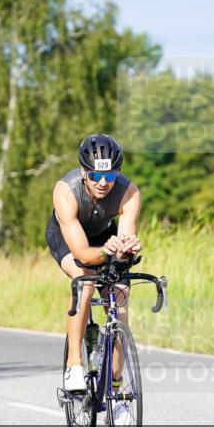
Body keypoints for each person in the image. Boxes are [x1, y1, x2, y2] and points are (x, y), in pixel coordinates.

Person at [46, 134, 142, 398]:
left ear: (117, 173)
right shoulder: (65, 191)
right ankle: (74, 364)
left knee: (121, 295)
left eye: (110, 176)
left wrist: (126, 247)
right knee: (85, 281)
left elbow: (124, 237)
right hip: (68, 238)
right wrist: (105, 252)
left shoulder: (129, 192)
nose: (102, 182)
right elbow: (82, 254)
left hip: (104, 236)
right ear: (83, 172)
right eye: (95, 175)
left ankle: (115, 387)